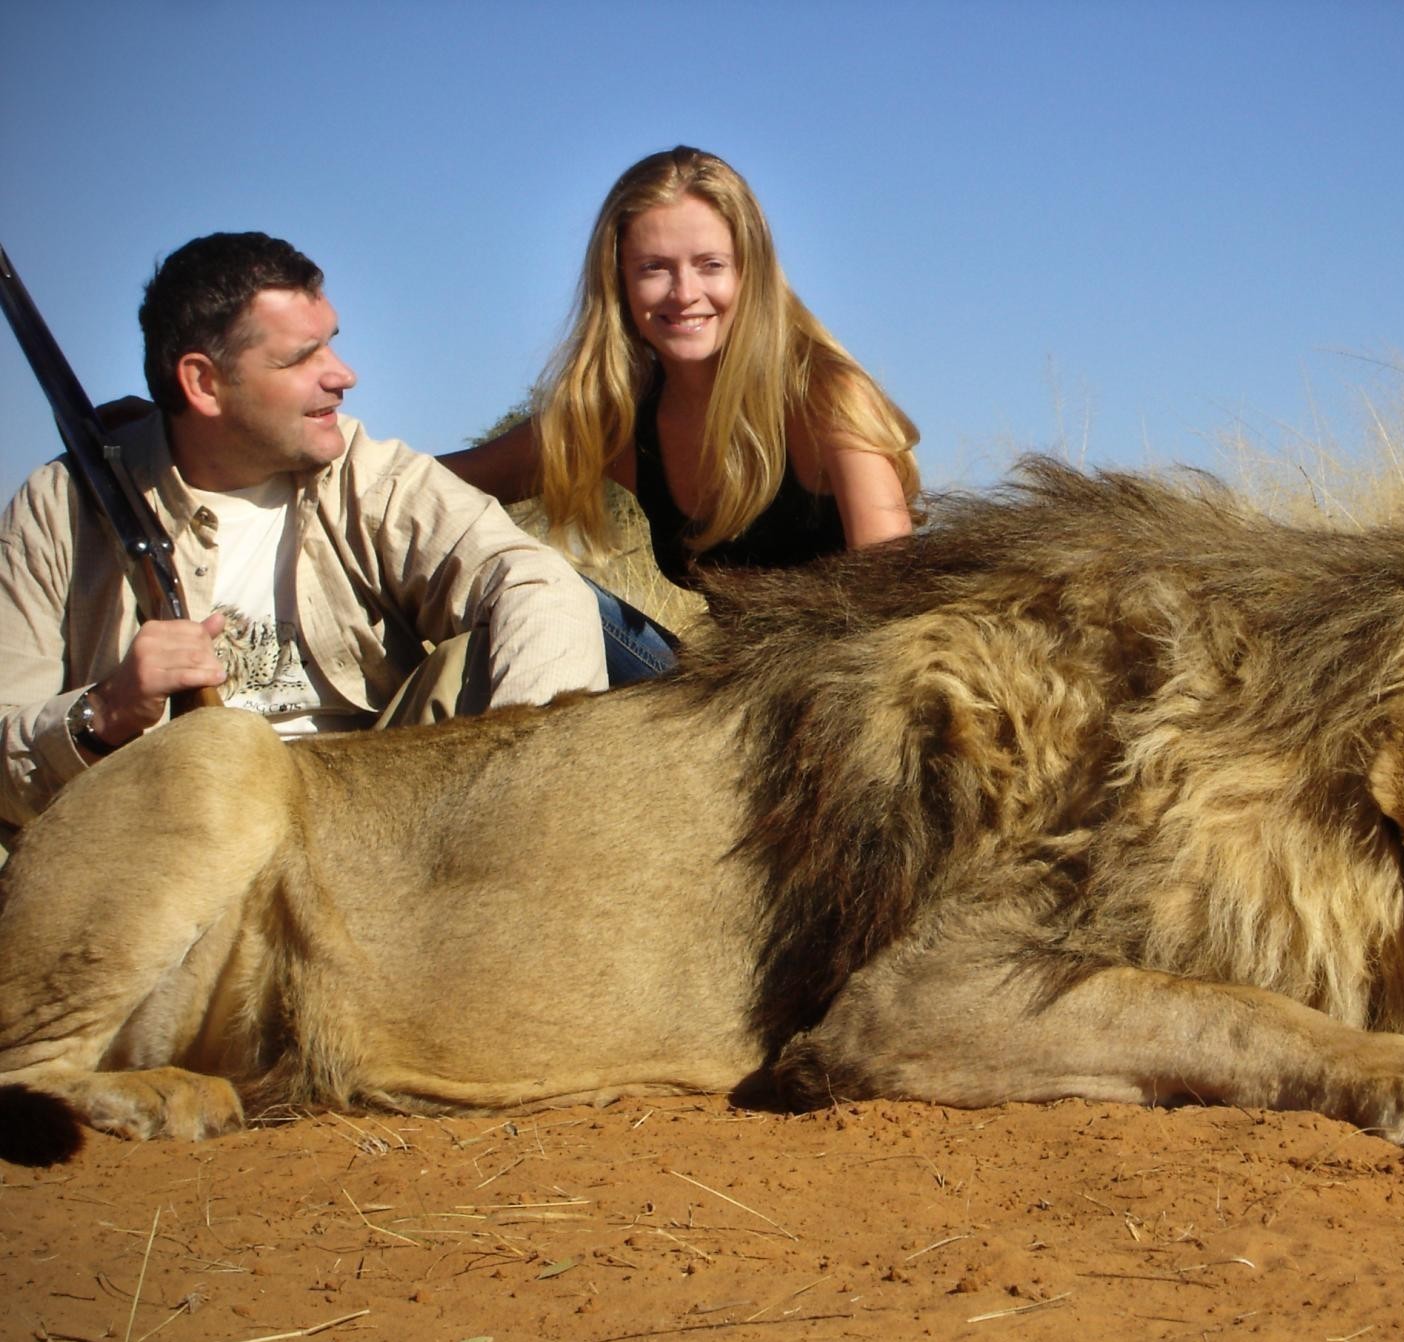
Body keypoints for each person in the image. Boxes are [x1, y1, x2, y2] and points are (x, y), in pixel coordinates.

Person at [0, 231, 607, 834]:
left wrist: (527, 797)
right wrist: (101, 713)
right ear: (203, 383)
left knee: (476, 656)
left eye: (331, 345)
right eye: (299, 358)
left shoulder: (367, 473)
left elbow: (532, 580)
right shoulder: (58, 508)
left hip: (365, 830)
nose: (343, 375)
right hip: (165, 839)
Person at [439, 146, 921, 682]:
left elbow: (894, 601)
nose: (685, 293)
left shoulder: (825, 396)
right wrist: (339, 463)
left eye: (710, 265)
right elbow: (437, 485)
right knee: (537, 582)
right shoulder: (619, 419)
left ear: (750, 273)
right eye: (654, 269)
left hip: (826, 690)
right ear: (618, 282)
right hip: (711, 693)